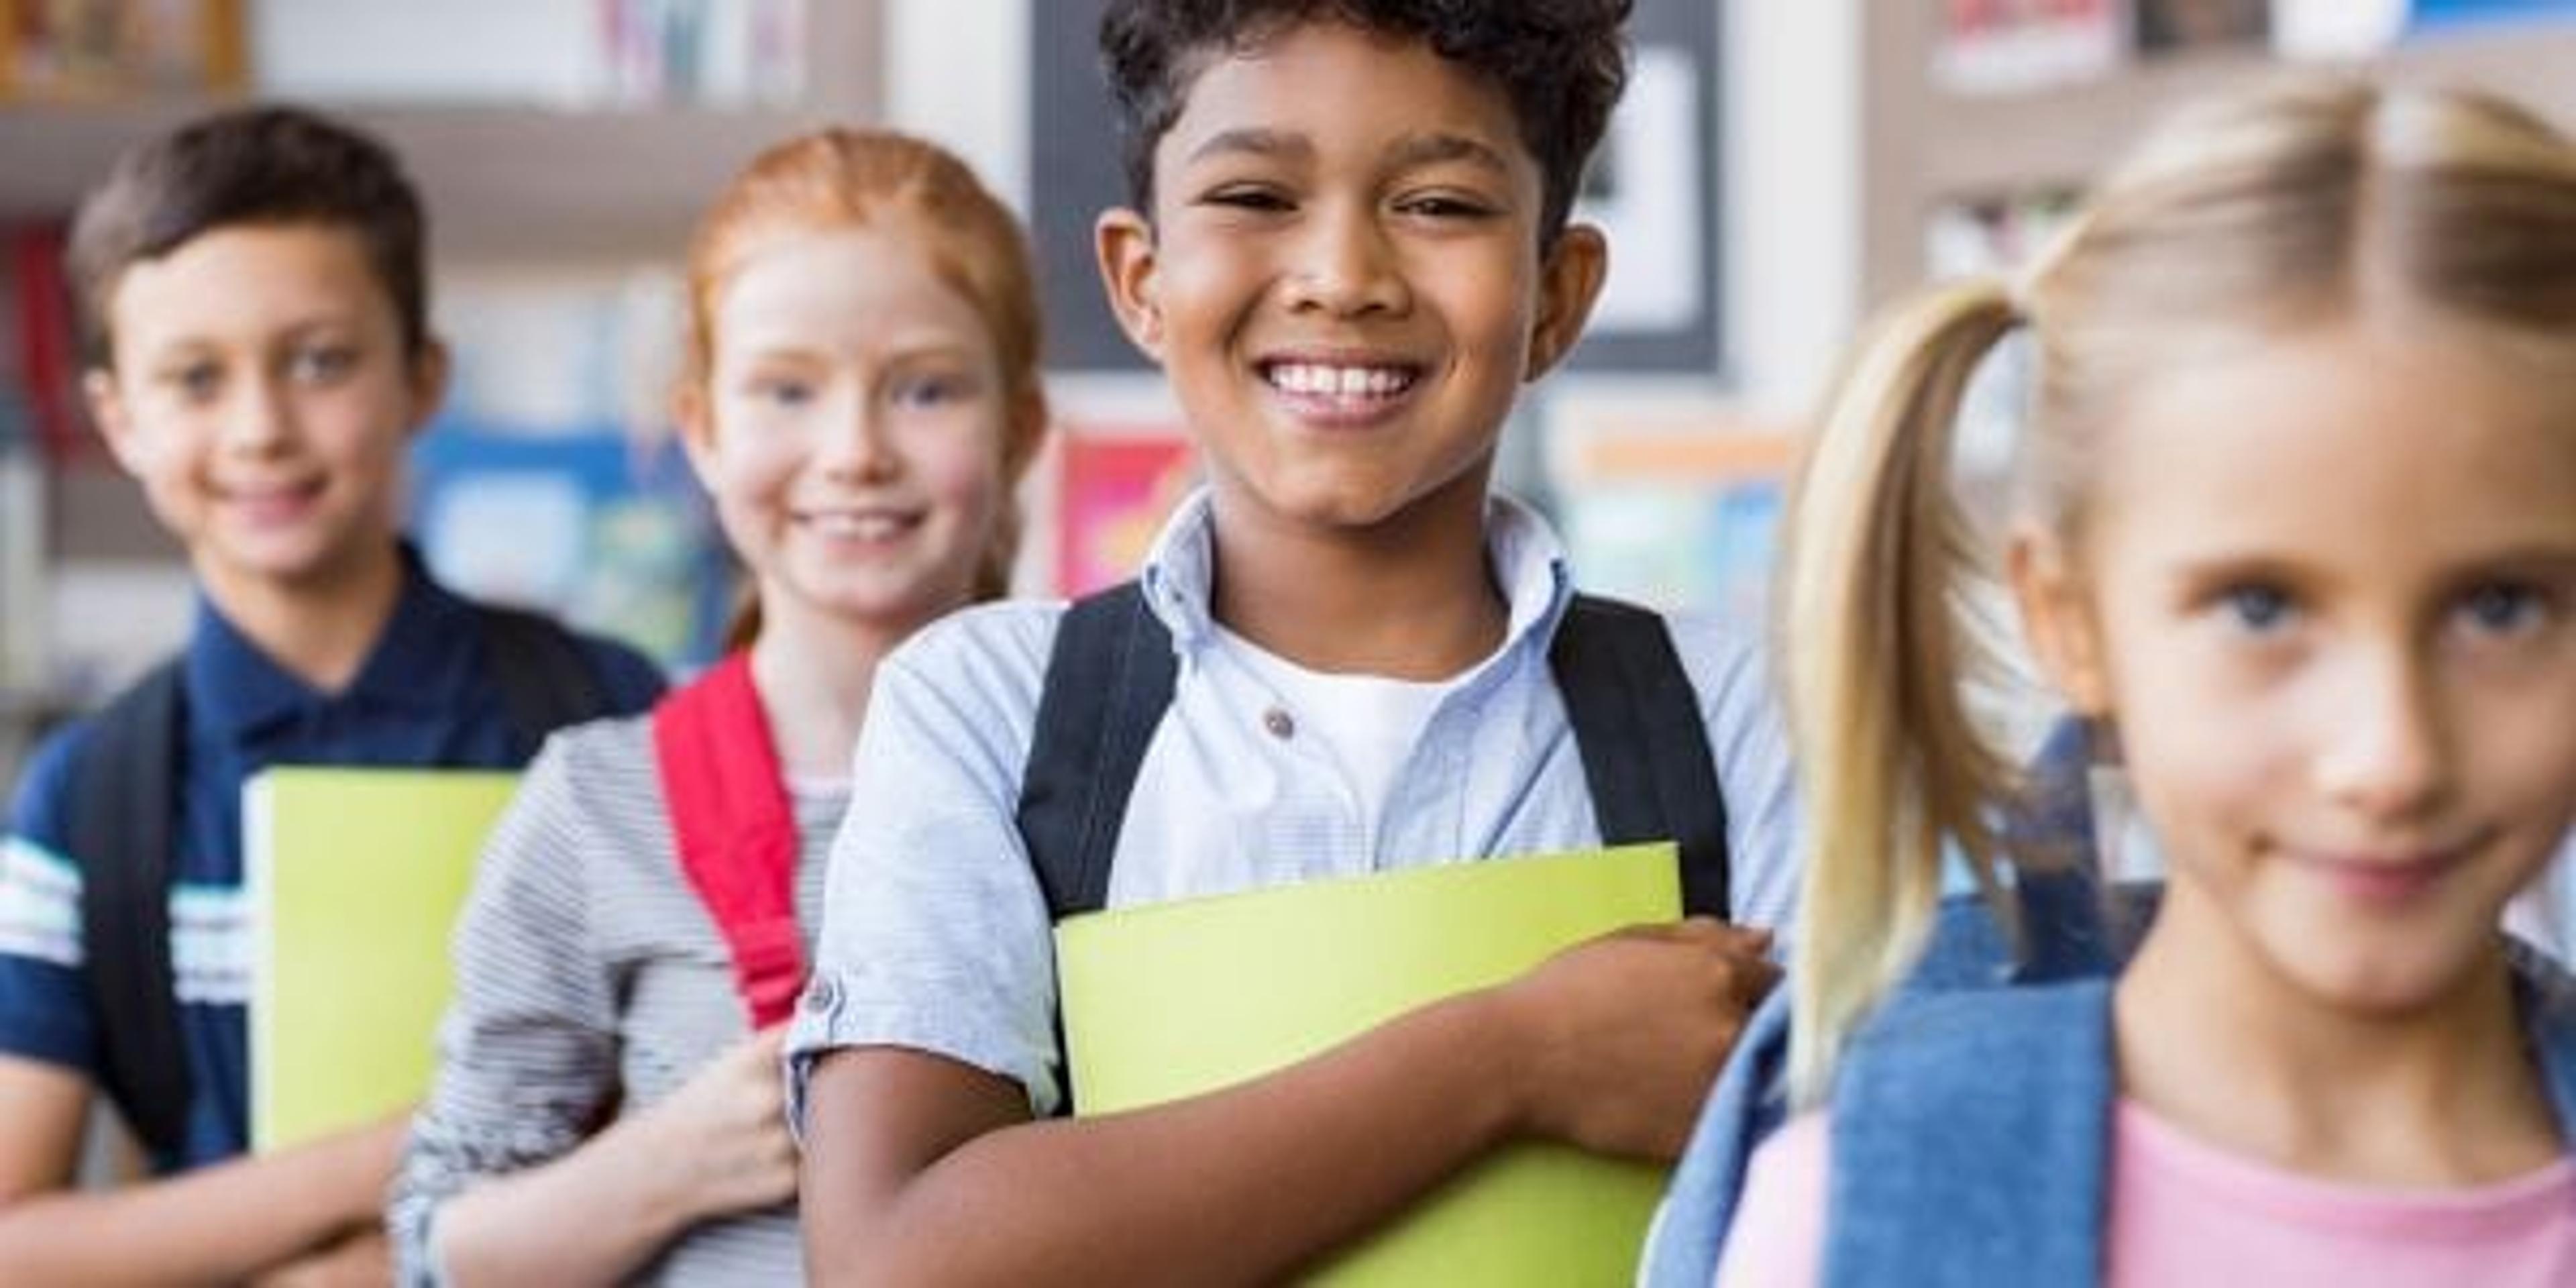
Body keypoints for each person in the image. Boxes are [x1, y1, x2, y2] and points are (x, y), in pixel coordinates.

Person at [790, 2, 1802, 1282]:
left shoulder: (1740, 718)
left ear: (1557, 294)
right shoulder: (991, 708)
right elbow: (895, 1259)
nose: (1343, 274)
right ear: (1140, 282)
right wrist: (1515, 1057)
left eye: (1439, 204)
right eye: (1258, 195)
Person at [1648, 78, 2576, 1287]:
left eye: (2500, 607)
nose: (2389, 757)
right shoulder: (1855, 1219)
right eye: (2261, 608)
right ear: (2069, 620)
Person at [0, 105, 663, 1283]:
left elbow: (685, 1119)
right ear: (119, 420)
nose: (261, 428)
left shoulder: (609, 717)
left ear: (421, 377)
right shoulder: (87, 800)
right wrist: (383, 1168)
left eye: (321, 361)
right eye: (196, 378)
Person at [386, 128, 1049, 1286]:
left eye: (926, 388)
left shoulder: (1137, 772)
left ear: (1021, 430)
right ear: (700, 429)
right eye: (787, 390)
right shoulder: (598, 806)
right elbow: (437, 1249)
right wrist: (670, 1164)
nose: (853, 452)